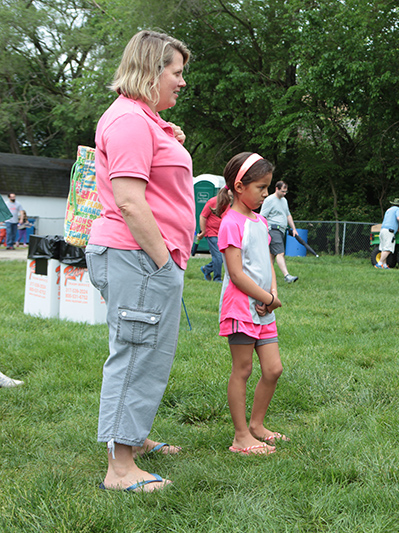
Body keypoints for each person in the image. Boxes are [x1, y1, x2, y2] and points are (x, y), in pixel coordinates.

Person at [85, 30, 192, 492]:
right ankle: (121, 467)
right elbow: (130, 201)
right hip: (140, 257)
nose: (181, 82)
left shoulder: (140, 119)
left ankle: (134, 439)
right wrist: (164, 264)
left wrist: (167, 133)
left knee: (145, 352)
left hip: (141, 258)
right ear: (152, 70)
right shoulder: (129, 120)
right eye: (176, 72)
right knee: (135, 354)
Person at [218, 152, 288, 456]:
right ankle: (241, 436)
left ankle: (258, 426)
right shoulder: (230, 223)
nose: (264, 194)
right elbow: (235, 274)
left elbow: (268, 262)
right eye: (260, 188)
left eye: (266, 187)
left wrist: (270, 295)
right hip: (239, 309)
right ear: (239, 186)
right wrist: (267, 298)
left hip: (263, 308)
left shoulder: (260, 221)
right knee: (242, 370)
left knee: (273, 369)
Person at [260, 181, 299, 283]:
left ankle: (264, 277)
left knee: (272, 255)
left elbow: (288, 215)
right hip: (273, 229)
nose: (284, 194)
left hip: (281, 230)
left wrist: (294, 228)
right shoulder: (269, 200)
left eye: (286, 192)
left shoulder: (284, 200)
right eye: (282, 191)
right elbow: (262, 216)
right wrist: (264, 231)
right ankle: (287, 276)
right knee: (280, 253)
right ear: (276, 189)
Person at [199, 188, 231, 282]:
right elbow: (203, 216)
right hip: (211, 232)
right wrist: (203, 231)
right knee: (218, 256)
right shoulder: (212, 201)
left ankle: (207, 269)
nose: (231, 199)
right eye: (229, 196)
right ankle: (217, 278)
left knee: (221, 257)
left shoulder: (227, 204)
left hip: (221, 233)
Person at [376, 198, 399, 269]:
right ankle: (379, 263)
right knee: (388, 249)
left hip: (382, 230)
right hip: (389, 231)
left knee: (383, 249)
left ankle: (384, 265)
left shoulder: (388, 210)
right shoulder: (398, 209)